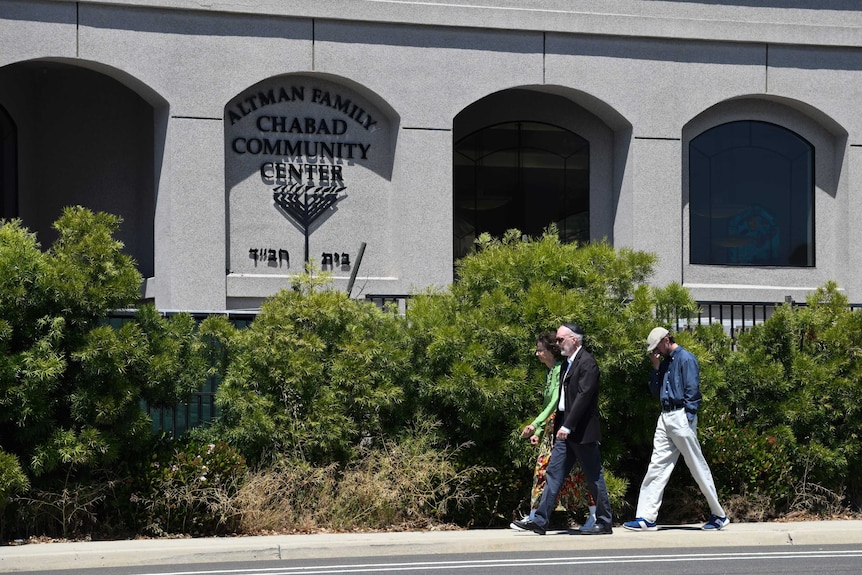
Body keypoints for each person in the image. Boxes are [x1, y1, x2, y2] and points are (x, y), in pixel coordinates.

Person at [623, 327, 730, 532]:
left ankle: (719, 515)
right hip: (666, 416)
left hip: (680, 415)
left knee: (696, 465)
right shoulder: (665, 362)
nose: (657, 352)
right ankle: (646, 517)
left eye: (657, 347)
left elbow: (693, 389)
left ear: (666, 339)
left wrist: (688, 417)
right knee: (657, 465)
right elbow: (656, 390)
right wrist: (655, 367)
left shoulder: (686, 358)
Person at [512, 323, 613, 535]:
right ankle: (540, 521)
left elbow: (584, 398)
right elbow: (560, 400)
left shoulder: (587, 363)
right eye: (557, 340)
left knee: (594, 476)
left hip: (581, 430)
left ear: (574, 339)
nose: (558, 344)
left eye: (560, 340)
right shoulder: (567, 364)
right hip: (563, 429)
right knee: (553, 473)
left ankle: (604, 522)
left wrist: (568, 425)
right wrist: (552, 426)